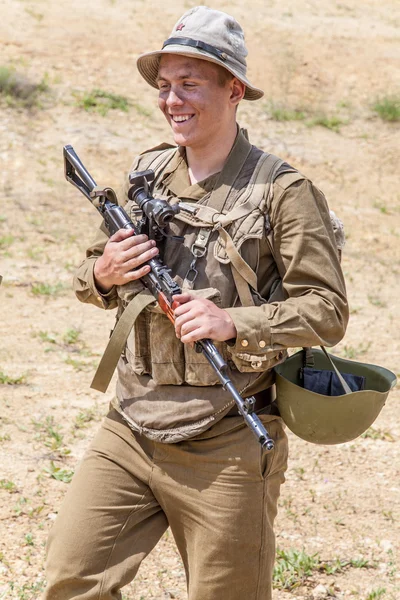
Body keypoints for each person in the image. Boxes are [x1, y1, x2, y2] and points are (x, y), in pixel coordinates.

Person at [44, 6, 348, 600]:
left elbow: (327, 310)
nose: (171, 99)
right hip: (131, 423)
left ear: (234, 91)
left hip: (227, 435)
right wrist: (105, 274)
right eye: (164, 86)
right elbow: (89, 275)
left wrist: (230, 320)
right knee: (71, 579)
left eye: (189, 83)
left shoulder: (283, 193)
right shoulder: (148, 173)